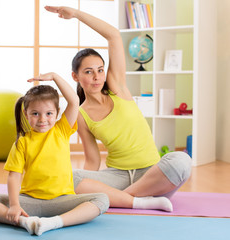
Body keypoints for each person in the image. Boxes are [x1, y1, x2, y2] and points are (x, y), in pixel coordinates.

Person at [45, 6, 192, 212]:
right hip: (118, 176)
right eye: (88, 72)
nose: (97, 77)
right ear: (75, 77)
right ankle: (139, 199)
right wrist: (83, 184)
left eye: (100, 70)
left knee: (181, 161)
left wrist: (77, 14)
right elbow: (92, 160)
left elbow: (113, 35)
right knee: (72, 177)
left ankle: (124, 199)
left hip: (152, 173)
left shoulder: (117, 87)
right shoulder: (80, 114)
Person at [0, 72, 109, 236]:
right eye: (35, 113)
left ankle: (53, 223)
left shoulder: (62, 130)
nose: (42, 119)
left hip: (62, 201)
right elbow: (14, 176)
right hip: (29, 202)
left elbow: (74, 100)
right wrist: (15, 205)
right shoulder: (22, 142)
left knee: (102, 199)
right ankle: (25, 221)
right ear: (26, 114)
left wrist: (54, 76)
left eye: (49, 113)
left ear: (57, 113)